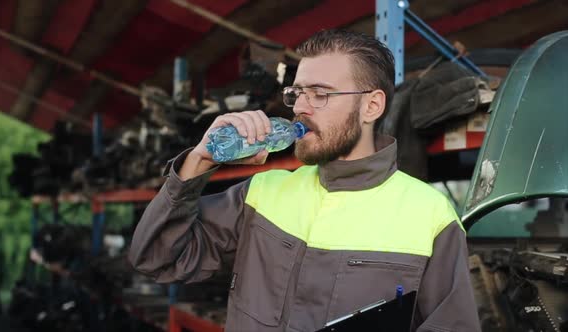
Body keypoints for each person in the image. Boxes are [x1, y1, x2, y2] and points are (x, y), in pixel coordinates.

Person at [128, 29, 480, 332]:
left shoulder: (431, 216)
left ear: (372, 107)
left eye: (320, 94)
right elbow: (156, 257)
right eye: (296, 94)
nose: (299, 108)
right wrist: (199, 159)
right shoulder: (262, 193)